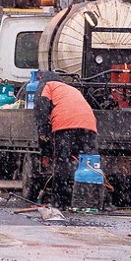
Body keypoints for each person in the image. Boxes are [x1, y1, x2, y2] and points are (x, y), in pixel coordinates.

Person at [33, 71, 98, 208]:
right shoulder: (70, 89)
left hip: (65, 124)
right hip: (88, 124)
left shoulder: (47, 85)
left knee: (62, 162)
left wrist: (42, 131)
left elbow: (41, 106)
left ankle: (61, 201)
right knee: (89, 164)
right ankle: (91, 200)